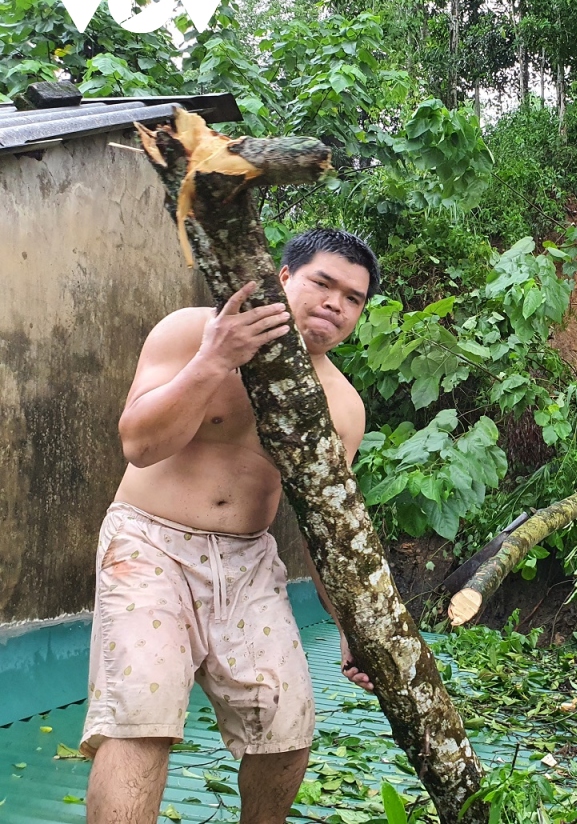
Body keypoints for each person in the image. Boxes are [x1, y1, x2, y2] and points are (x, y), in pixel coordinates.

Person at [82, 228, 380, 824]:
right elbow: (139, 444)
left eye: (353, 298)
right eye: (324, 283)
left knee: (286, 727)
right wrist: (214, 359)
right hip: (149, 542)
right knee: (142, 720)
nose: (335, 305)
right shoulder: (192, 331)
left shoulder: (342, 407)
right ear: (284, 278)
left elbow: (327, 526)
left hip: (247, 561)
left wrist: (352, 627)